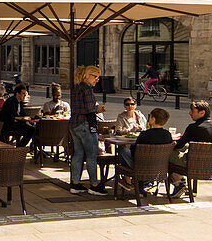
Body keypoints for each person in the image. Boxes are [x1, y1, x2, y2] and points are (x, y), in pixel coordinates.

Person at [68, 65, 108, 196]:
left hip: (74, 124)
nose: (97, 79)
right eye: (95, 76)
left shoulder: (76, 88)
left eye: (98, 77)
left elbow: (79, 107)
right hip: (85, 125)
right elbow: (90, 108)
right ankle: (94, 185)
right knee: (91, 156)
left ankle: (75, 183)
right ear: (86, 76)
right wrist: (99, 108)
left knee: (78, 154)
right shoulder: (87, 89)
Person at [169, 100, 212, 198]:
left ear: (202, 113)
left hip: (193, 165)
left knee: (167, 154)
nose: (189, 113)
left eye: (192, 111)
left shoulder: (193, 128)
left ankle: (178, 182)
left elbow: (179, 145)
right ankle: (182, 182)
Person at [116, 108, 174, 185]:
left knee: (122, 148)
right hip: (160, 166)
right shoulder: (167, 135)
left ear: (153, 119)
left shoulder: (145, 134)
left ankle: (127, 178)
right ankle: (134, 180)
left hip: (140, 167)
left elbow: (134, 151)